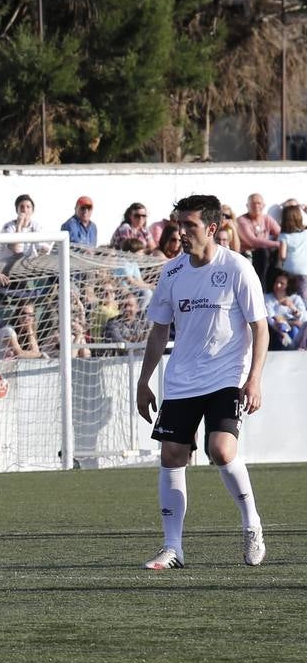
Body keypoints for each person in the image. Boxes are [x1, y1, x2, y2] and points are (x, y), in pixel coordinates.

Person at [136, 194, 269, 571]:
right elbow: (160, 330)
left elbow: (261, 329)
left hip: (226, 377)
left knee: (221, 450)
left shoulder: (238, 268)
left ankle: (252, 525)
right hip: (181, 379)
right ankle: (172, 547)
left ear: (211, 229)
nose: (181, 233)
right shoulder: (172, 272)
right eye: (179, 225)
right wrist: (144, 382)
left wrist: (254, 379)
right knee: (172, 455)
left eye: (189, 226)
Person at [237, 193, 281, 287]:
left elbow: (279, 233)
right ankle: (261, 288)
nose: (256, 206)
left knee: (279, 253)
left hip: (265, 254)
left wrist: (280, 243)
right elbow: (252, 241)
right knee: (263, 252)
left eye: (259, 203)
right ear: (247, 206)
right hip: (249, 255)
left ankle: (272, 287)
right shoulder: (242, 220)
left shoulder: (266, 218)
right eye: (253, 203)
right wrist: (277, 244)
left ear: (263, 205)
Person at [263, 270, 306, 350]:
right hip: (276, 332)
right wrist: (292, 323)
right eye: (276, 282)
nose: (278, 285)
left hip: (296, 333)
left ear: (288, 285)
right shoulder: (267, 298)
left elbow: (304, 318)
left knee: (295, 330)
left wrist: (292, 307)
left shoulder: (295, 298)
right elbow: (271, 319)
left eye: (282, 283)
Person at [0, 194, 50, 258]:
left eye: (28, 207)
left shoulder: (36, 226)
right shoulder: (8, 227)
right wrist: (19, 226)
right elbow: (16, 249)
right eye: (22, 207)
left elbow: (40, 246)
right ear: (17, 210)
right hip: (9, 263)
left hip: (28, 263)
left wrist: (43, 249)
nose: (25, 210)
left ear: (32, 210)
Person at [277, 204, 307, 297]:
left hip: (289, 268)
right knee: (303, 294)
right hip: (304, 269)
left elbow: (282, 255)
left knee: (289, 294)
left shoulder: (284, 235)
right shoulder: (305, 232)